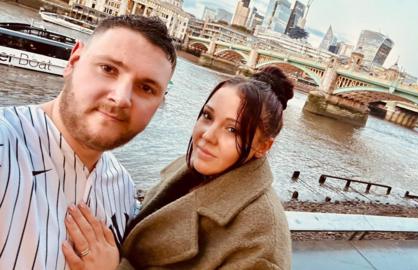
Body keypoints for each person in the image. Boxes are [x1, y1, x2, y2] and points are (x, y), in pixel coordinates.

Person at [64, 66, 294, 269]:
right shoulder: (189, 169)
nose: (207, 135)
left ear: (264, 146)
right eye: (207, 116)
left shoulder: (262, 242)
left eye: (232, 129)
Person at [0, 15, 176, 270]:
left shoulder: (123, 188)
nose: (121, 97)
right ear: (74, 61)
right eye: (108, 69)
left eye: (146, 88)